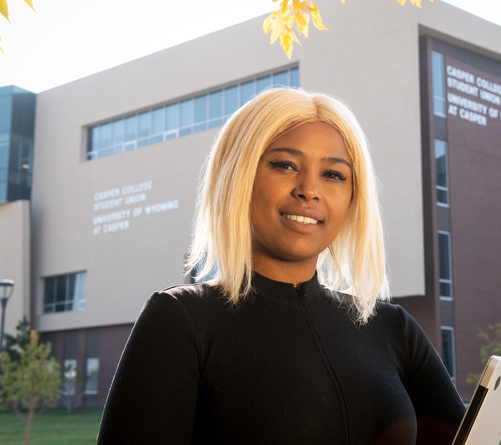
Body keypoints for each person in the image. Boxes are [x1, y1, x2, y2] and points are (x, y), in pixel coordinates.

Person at [97, 88, 464, 444]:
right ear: (239, 177)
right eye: (285, 165)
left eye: (333, 174)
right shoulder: (181, 320)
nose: (309, 189)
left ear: (354, 197)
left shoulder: (393, 328)